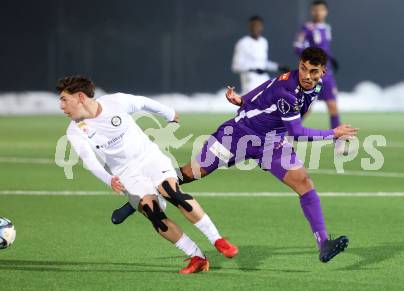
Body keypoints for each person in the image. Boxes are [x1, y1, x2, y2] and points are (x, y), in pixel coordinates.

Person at [114, 47, 357, 263]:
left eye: (312, 71)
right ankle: (138, 197)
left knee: (304, 183)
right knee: (191, 173)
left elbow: (266, 86)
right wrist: (332, 133)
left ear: (322, 72)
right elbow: (297, 132)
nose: (306, 75)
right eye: (303, 68)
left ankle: (323, 243)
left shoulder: (315, 85)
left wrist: (243, 99)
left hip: (271, 142)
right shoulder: (288, 92)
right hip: (238, 135)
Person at [58, 75, 237, 274]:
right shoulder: (75, 130)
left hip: (149, 158)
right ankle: (197, 257)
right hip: (126, 174)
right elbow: (89, 160)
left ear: (80, 97)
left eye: (64, 99)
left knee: (171, 191)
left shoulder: (115, 102)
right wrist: (109, 179)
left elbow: (142, 102)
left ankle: (217, 240)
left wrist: (168, 113)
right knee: (153, 212)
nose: (61, 106)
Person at [294, 0, 341, 132]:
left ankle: (338, 142)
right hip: (313, 74)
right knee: (307, 108)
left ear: (326, 12)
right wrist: (311, 58)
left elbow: (326, 48)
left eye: (321, 10)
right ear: (311, 11)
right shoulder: (307, 28)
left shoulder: (326, 28)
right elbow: (297, 47)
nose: (318, 12)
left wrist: (332, 58)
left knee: (332, 106)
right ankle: (285, 133)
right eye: (315, 10)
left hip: (327, 73)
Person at [232, 15, 290, 94]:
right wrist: (253, 69)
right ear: (249, 27)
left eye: (258, 26)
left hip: (263, 78)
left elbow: (263, 63)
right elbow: (236, 66)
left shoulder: (263, 42)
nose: (256, 28)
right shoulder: (243, 43)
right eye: (253, 25)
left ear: (262, 27)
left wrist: (278, 67)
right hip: (250, 80)